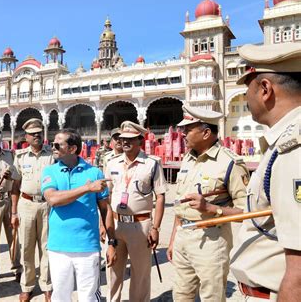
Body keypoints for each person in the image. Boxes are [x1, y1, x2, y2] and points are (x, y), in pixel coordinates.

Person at [230, 42, 301, 301]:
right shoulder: (283, 142)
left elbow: (299, 272)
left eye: (247, 87)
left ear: (264, 89)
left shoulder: (294, 148)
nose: (246, 98)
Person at [167, 105, 250, 301]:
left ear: (206, 133)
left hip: (212, 241)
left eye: (188, 130)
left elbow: (247, 212)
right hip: (183, 237)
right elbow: (181, 205)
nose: (183, 134)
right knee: (181, 295)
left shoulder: (231, 163)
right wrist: (173, 238)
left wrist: (211, 208)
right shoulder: (188, 159)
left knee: (211, 296)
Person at [41, 128, 116, 301]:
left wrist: (112, 242)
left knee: (89, 297)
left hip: (87, 247)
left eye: (57, 145)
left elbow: (106, 209)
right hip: (58, 247)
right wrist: (87, 188)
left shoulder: (94, 173)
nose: (52, 147)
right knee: (60, 296)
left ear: (72, 149)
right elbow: (53, 199)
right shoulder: (49, 171)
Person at [105, 121, 166, 302]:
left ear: (141, 140)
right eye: (123, 138)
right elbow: (106, 197)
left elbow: (160, 197)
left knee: (140, 274)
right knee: (113, 271)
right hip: (116, 224)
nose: (125, 142)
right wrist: (104, 224)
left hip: (140, 224)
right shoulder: (112, 163)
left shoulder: (152, 164)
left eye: (130, 139)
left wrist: (155, 228)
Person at [11, 118, 53, 302]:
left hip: (47, 205)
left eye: (39, 132)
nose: (36, 135)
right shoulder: (20, 157)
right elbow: (15, 185)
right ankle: (27, 286)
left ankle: (47, 286)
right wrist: (13, 212)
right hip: (26, 204)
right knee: (26, 247)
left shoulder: (52, 155)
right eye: (32, 133)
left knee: (47, 247)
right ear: (26, 137)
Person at [0, 132, 22, 280]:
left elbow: (18, 176)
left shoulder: (11, 155)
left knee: (14, 236)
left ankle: (17, 268)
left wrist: (12, 176)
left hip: (9, 199)